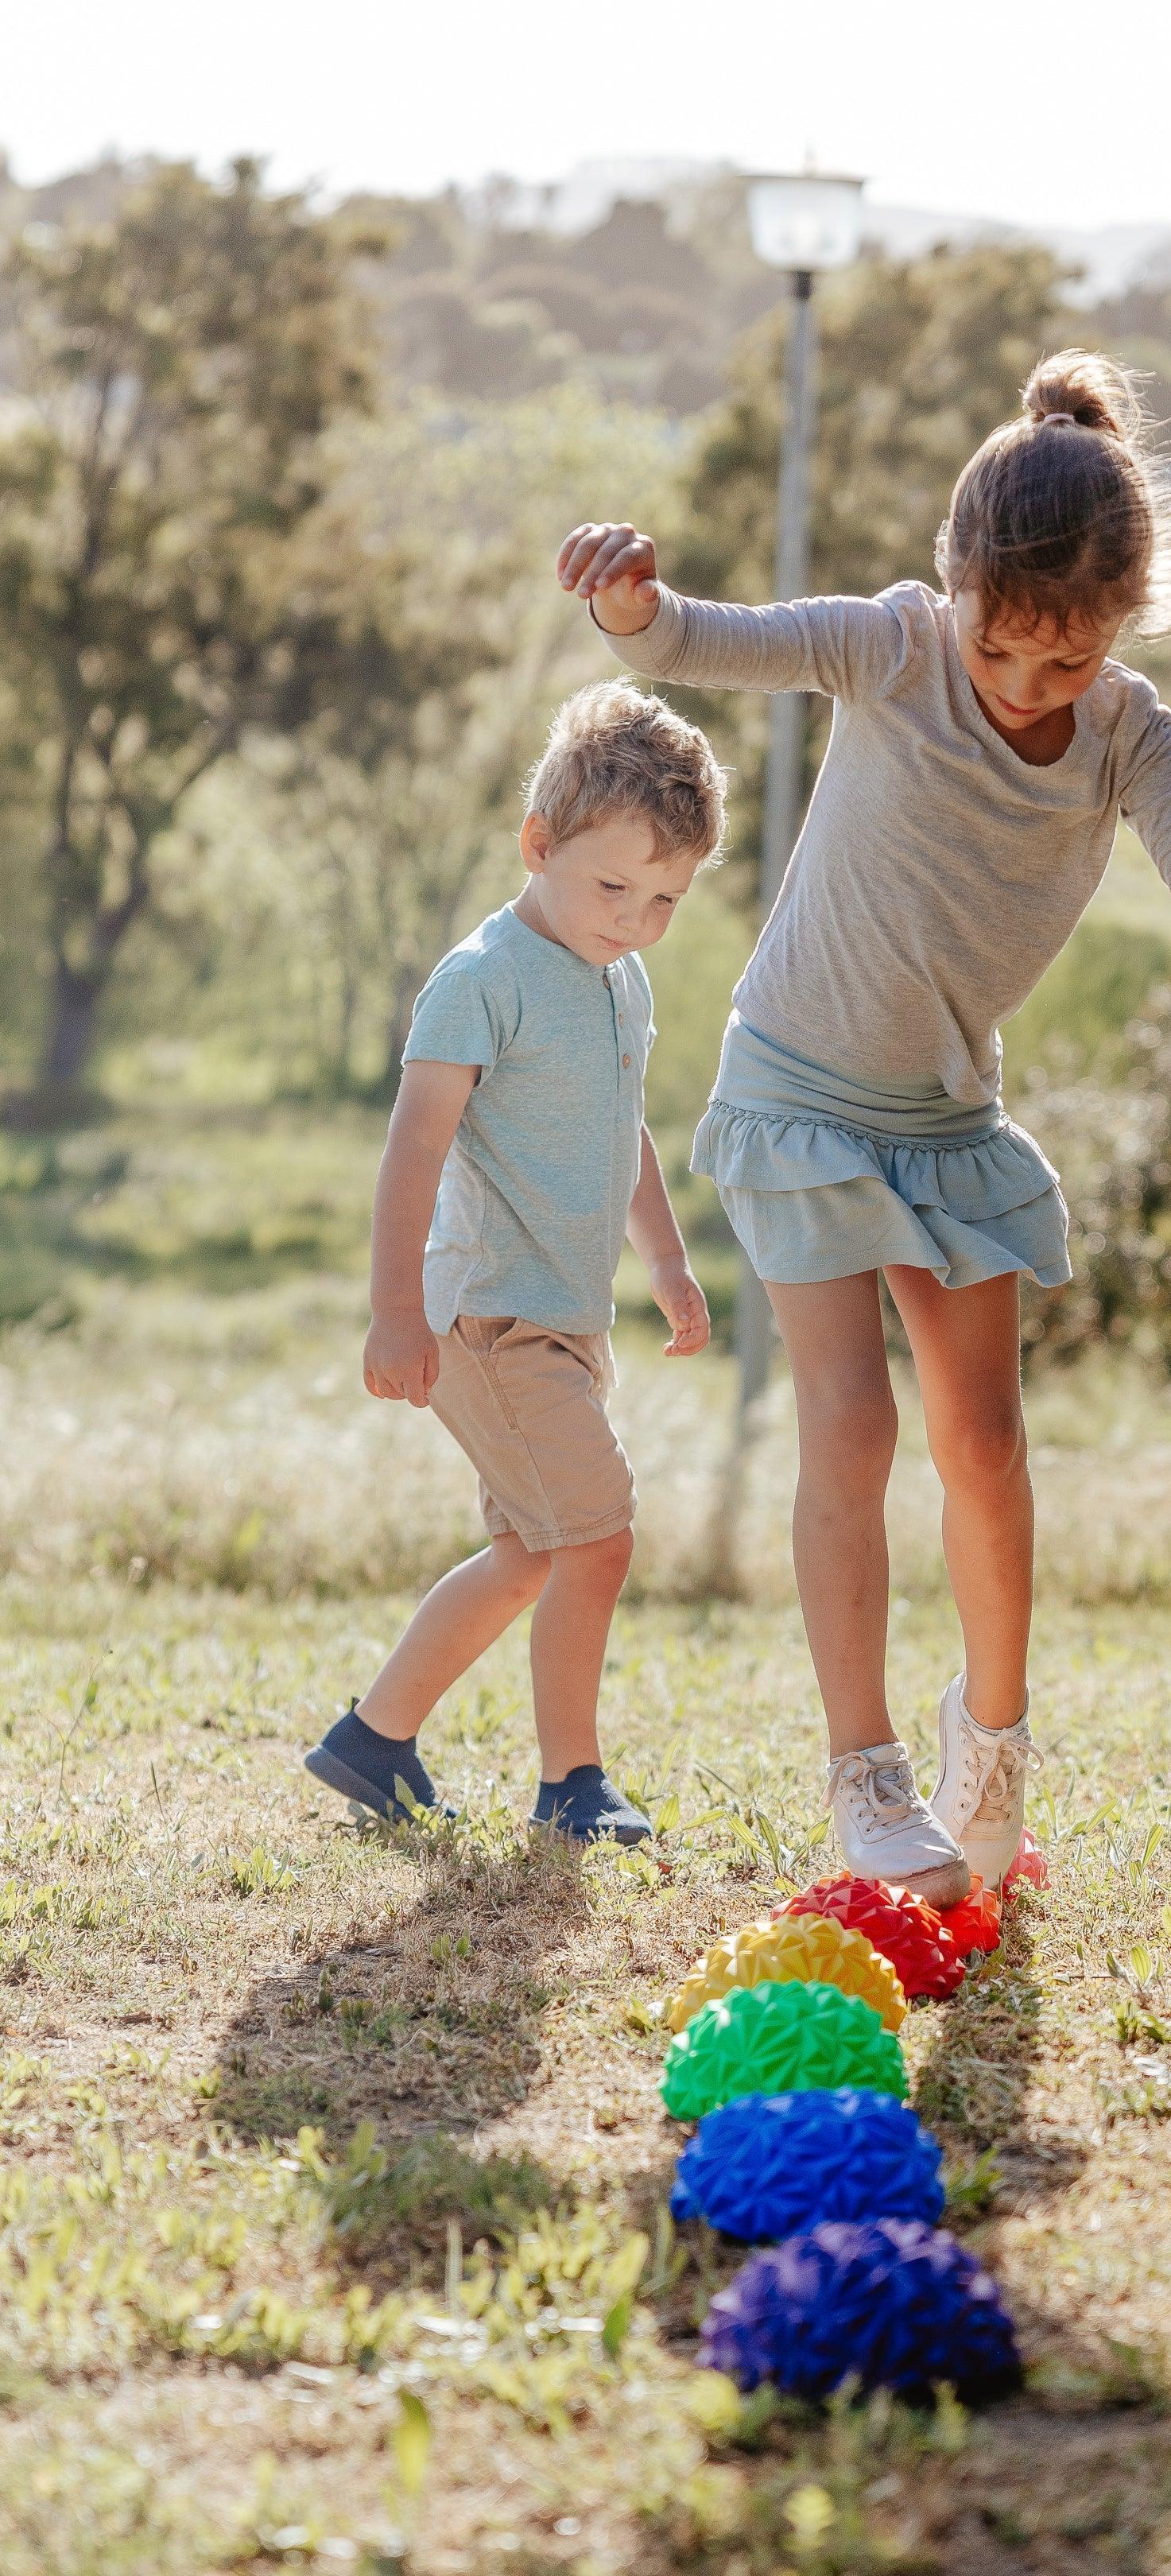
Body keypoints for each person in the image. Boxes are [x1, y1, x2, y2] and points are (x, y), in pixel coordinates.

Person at [559, 350, 1171, 1906]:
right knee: (854, 1423)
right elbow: (713, 639)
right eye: (1007, 649)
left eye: (1069, 661)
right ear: (956, 584)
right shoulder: (895, 650)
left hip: (947, 1115)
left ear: (1117, 628)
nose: (1029, 687)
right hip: (796, 1089)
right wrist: (634, 608)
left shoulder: (1124, 730)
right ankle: (868, 1773)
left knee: (983, 1440)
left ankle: (996, 1746)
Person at [304, 681, 725, 1844]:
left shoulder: (616, 977)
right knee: (596, 1535)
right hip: (484, 1316)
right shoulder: (483, 978)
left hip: (561, 1315)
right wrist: (396, 1313)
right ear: (539, 845)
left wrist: (669, 1263)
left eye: (664, 899)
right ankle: (570, 1785)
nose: (636, 918)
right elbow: (414, 1148)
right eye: (611, 886)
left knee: (533, 1550)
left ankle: (373, 1740)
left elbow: (622, 1126)